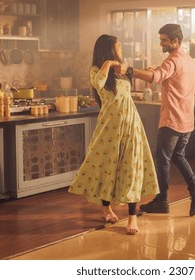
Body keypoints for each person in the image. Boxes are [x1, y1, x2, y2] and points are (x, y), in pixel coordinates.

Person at [69, 34, 159, 235]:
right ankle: (106, 208)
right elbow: (98, 84)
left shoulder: (122, 70)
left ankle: (132, 217)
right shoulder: (97, 70)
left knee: (132, 169)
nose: (121, 51)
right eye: (119, 47)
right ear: (109, 50)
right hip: (109, 128)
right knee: (107, 168)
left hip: (131, 126)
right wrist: (108, 64)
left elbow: (128, 92)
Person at [118, 24, 195, 216]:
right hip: (186, 120)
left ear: (175, 41)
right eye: (160, 40)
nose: (161, 43)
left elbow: (156, 76)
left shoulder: (172, 60)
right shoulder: (188, 60)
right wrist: (147, 71)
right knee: (177, 156)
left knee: (163, 160)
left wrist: (130, 70)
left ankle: (163, 200)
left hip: (172, 120)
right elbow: (159, 73)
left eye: (164, 40)